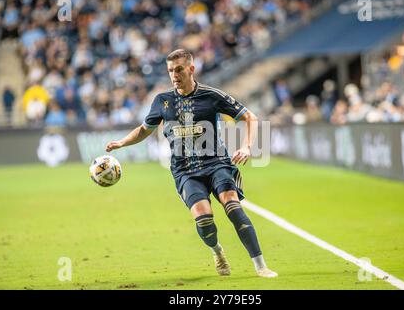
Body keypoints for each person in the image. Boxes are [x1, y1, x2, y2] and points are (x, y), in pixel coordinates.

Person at [106, 49, 277, 278]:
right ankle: (217, 252)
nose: (174, 75)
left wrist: (246, 146)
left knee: (233, 209)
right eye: (170, 71)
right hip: (185, 171)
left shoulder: (211, 95)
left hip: (216, 163)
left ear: (191, 69)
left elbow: (250, 117)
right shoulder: (162, 101)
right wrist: (121, 142)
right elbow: (144, 130)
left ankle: (261, 266)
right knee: (204, 220)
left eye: (178, 69)